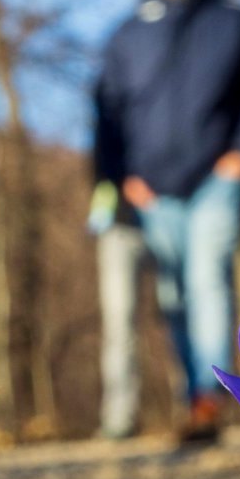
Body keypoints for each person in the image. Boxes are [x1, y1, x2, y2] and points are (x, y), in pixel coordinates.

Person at [95, 0, 240, 442]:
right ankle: (191, 396)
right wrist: (120, 177)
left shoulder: (236, 23)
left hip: (215, 184)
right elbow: (106, 112)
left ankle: (208, 398)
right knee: (173, 296)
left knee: (207, 281)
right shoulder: (127, 32)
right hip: (149, 191)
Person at [88, 181, 153, 440]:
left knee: (181, 312)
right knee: (118, 324)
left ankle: (198, 408)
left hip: (173, 210)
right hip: (119, 223)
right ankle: (118, 419)